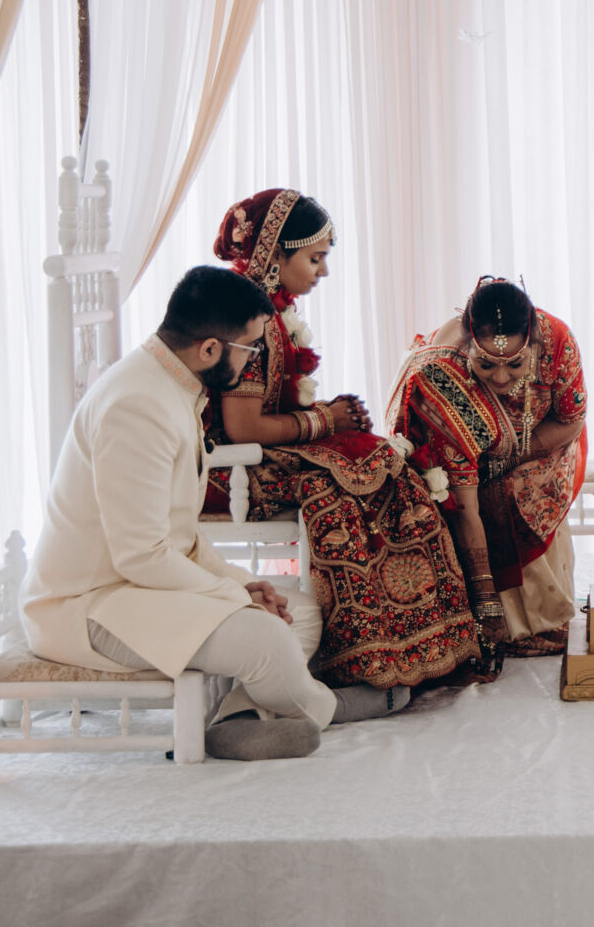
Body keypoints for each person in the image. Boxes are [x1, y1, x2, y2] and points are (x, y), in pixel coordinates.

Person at [22, 267, 419, 762]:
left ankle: (239, 720)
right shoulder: (136, 406)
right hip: (88, 606)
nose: (253, 363)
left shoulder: (170, 385)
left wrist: (243, 584)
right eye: (249, 349)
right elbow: (140, 557)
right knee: (266, 637)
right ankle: (326, 707)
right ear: (210, 349)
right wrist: (235, 595)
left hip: (134, 588)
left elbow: (180, 538)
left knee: (297, 610)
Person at [204, 189, 481, 690]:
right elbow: (242, 427)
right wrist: (324, 422)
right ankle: (369, 657)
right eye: (315, 258)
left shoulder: (266, 310)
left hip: (254, 457)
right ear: (276, 254)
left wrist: (329, 421)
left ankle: (413, 646)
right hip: (224, 470)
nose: (323, 271)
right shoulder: (246, 316)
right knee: (351, 487)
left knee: (383, 466)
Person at [391, 278, 588, 658]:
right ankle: (488, 619)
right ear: (468, 347)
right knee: (472, 498)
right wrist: (485, 600)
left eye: (515, 364)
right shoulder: (444, 375)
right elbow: (464, 504)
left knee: (525, 489)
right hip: (461, 453)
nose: (500, 378)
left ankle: (542, 619)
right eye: (485, 364)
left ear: (533, 345)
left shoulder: (558, 342)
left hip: (545, 439)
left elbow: (571, 421)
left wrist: (510, 459)